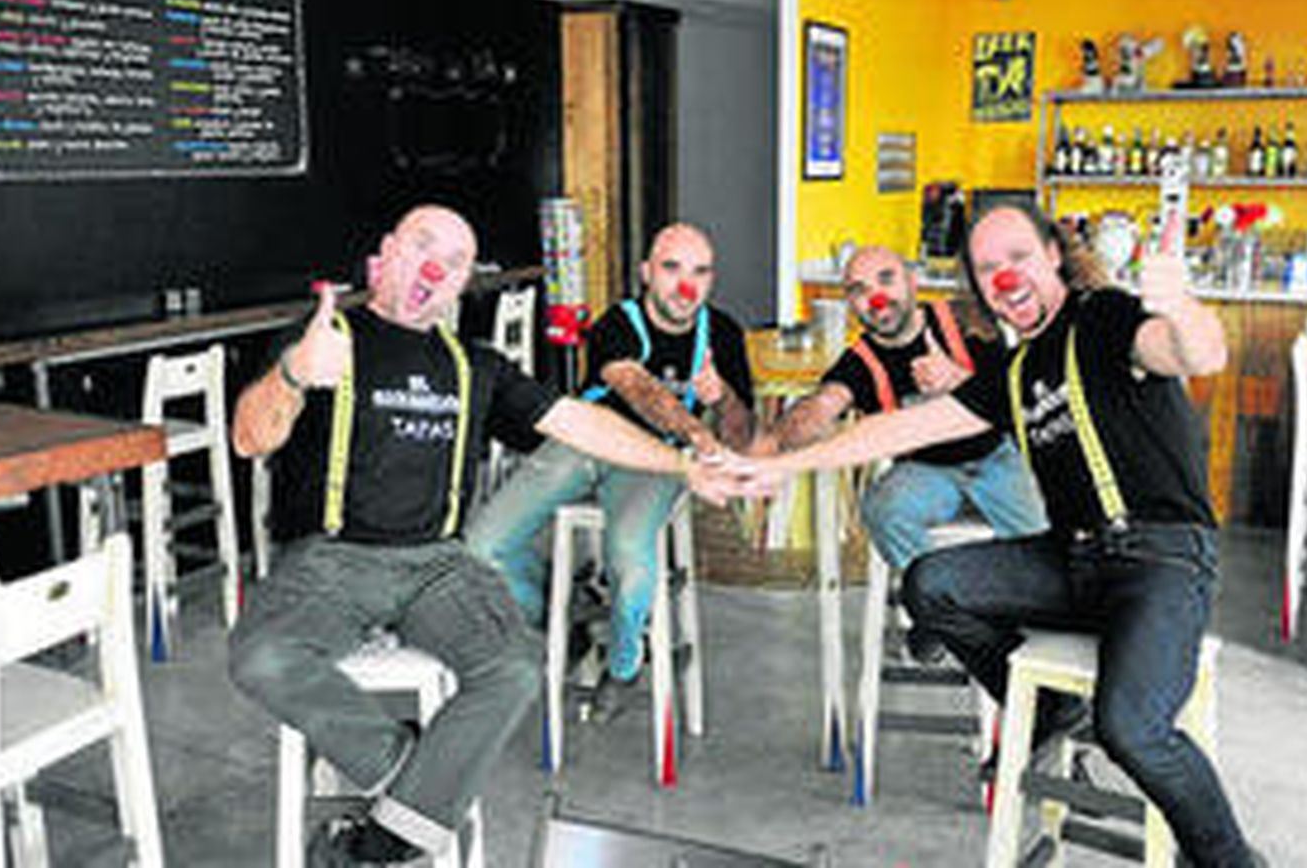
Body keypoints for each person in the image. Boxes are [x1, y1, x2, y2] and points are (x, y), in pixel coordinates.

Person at [227, 205, 748, 865]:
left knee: (515, 666)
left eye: (456, 263)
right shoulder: (326, 337)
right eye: (423, 247)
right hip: (329, 561)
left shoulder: (478, 365)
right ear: (385, 255)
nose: (436, 268)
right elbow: (250, 438)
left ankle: (394, 828)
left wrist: (682, 463)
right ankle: (415, 799)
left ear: (462, 285)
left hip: (438, 567)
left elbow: (577, 423)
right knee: (261, 656)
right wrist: (296, 375)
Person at [751, 204, 1261, 866]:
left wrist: (1183, 307)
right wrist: (778, 464)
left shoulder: (1101, 316)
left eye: (1017, 257)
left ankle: (1233, 862)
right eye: (987, 268)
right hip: (1072, 558)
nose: (1003, 277)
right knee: (930, 585)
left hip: (1161, 558)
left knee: (1131, 727)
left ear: (1053, 254)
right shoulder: (1012, 371)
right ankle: (1050, 708)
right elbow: (898, 430)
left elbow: (1196, 352)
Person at [465, 222, 755, 722]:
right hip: (585, 443)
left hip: (655, 462)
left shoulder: (723, 333)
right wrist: (696, 431)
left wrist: (723, 397)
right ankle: (559, 612)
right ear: (646, 273)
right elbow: (636, 387)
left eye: (699, 271)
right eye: (671, 268)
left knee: (633, 565)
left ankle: (623, 666)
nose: (685, 284)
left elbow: (742, 434)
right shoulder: (616, 323)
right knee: (482, 548)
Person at [753, 245, 1045, 585]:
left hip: (999, 457)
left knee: (1046, 537)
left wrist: (959, 381)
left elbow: (1018, 401)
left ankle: (1031, 605)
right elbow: (822, 405)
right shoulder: (859, 362)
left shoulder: (967, 321)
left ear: (911, 282)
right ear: (850, 302)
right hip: (925, 473)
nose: (876, 297)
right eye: (859, 290)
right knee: (885, 510)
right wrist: (776, 441)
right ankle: (941, 604)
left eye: (886, 280)